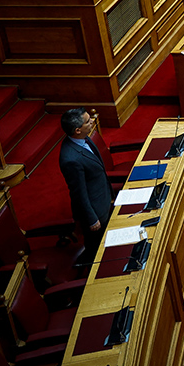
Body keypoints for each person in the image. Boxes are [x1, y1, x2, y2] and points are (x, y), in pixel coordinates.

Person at [58, 108, 113, 260]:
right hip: (95, 210)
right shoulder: (71, 159)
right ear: (77, 130)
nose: (92, 122)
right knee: (98, 249)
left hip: (104, 197)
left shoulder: (84, 138)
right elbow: (79, 193)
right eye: (88, 121)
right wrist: (91, 218)